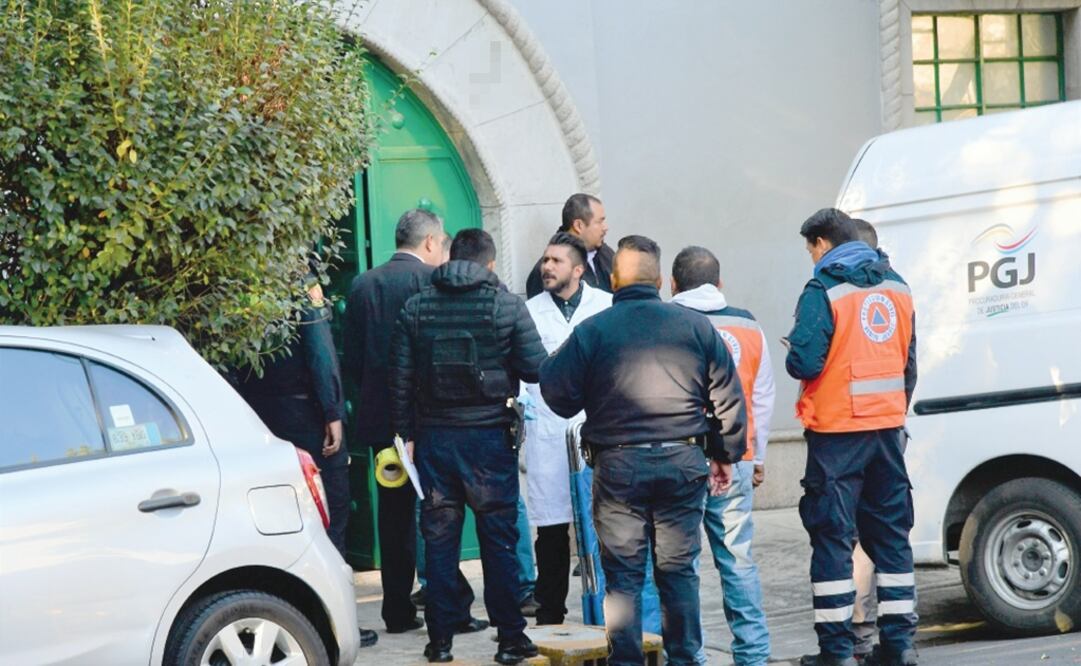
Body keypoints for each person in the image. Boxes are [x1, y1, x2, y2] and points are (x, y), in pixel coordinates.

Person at [539, 234, 748, 665]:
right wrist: (726, 455)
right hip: (683, 463)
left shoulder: (593, 331)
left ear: (614, 279)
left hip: (618, 468)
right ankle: (686, 660)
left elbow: (556, 393)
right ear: (661, 280)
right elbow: (729, 396)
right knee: (678, 575)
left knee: (624, 579)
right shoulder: (695, 327)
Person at [390, 228, 548, 664]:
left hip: (436, 442)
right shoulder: (506, 306)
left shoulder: (416, 307)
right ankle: (511, 639)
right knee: (499, 542)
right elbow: (536, 370)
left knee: (439, 543)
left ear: (450, 258)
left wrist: (406, 437)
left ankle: (440, 642)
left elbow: (400, 381)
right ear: (490, 264)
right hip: (490, 441)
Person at [344, 209, 486, 636]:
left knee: (394, 517)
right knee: (441, 512)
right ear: (429, 243)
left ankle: (397, 611)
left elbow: (352, 359)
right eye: (442, 244)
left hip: (382, 421)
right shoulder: (432, 283)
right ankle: (451, 606)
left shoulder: (362, 284)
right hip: (429, 419)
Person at [786, 209, 918, 666]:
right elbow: (908, 364)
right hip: (886, 433)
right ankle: (900, 647)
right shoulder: (898, 285)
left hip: (837, 436)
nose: (810, 258)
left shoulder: (823, 289)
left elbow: (804, 362)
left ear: (823, 242)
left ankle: (838, 652)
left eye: (810, 248)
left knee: (833, 540)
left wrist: (795, 348)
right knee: (891, 538)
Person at [236, 281, 378, 648]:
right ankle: (333, 620)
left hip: (257, 416)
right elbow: (320, 353)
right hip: (305, 417)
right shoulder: (302, 289)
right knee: (329, 515)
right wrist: (333, 412)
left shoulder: (237, 289)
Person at [669, 246, 773, 666]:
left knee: (682, 565)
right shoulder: (747, 325)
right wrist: (758, 455)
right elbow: (761, 396)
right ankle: (753, 654)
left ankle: (691, 654)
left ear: (673, 284)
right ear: (720, 283)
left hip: (683, 457)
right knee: (738, 559)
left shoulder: (668, 323)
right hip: (739, 455)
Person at [522, 232, 612, 626]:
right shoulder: (527, 312)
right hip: (547, 431)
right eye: (545, 260)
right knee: (552, 530)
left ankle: (610, 612)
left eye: (556, 261)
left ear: (578, 270)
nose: (547, 267)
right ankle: (551, 613)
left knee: (606, 525)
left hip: (598, 430)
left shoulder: (605, 306)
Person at [526, 193, 613, 298]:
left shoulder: (607, 254)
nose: (605, 228)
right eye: (600, 222)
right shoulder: (548, 270)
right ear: (578, 225)